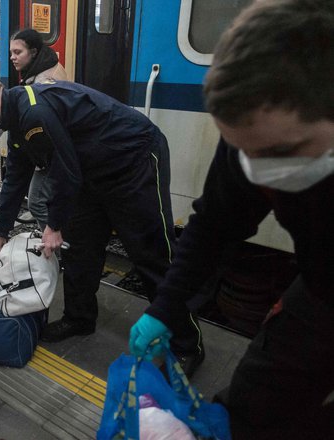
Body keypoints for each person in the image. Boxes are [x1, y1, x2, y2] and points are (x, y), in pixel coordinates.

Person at [128, 0, 333, 437]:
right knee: (249, 410)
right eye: (244, 152)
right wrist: (165, 307)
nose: (258, 170)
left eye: (280, 153)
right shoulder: (255, 137)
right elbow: (215, 224)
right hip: (320, 290)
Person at [0, 76, 203, 374]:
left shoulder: (34, 113)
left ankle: (188, 346)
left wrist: (53, 225)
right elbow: (15, 178)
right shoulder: (16, 121)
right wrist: (1, 233)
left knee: (151, 253)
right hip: (91, 172)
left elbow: (64, 171)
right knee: (81, 249)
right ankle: (79, 318)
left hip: (132, 160)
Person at [8, 28, 68, 229]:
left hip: (56, 153)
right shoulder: (41, 68)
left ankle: (56, 244)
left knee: (36, 201)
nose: (12, 58)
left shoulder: (44, 81)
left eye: (18, 53)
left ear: (33, 52)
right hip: (55, 153)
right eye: (11, 53)